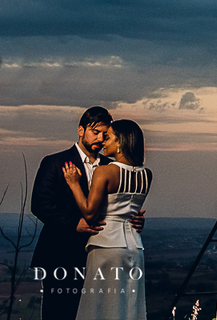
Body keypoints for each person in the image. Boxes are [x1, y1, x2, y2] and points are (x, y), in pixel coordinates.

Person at [30, 107, 142, 320]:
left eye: (105, 134)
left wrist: (133, 218)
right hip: (61, 253)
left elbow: (120, 205)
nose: (100, 138)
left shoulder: (113, 166)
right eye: (95, 132)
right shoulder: (54, 162)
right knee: (59, 313)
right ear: (80, 130)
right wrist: (74, 224)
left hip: (102, 253)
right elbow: (40, 204)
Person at [62, 119, 152, 320]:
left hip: (106, 246)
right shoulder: (147, 175)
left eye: (108, 137)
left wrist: (74, 184)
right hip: (135, 247)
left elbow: (90, 213)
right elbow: (130, 209)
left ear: (120, 142)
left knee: (98, 307)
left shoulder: (105, 171)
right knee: (128, 305)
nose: (103, 141)